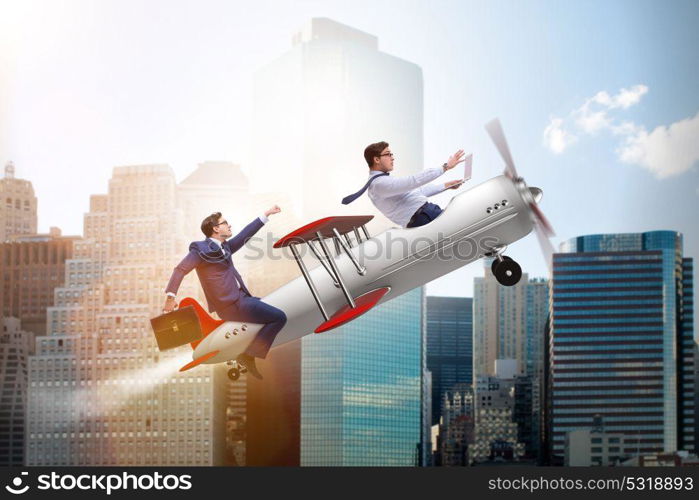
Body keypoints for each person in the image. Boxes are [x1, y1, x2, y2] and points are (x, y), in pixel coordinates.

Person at [163, 208, 286, 380]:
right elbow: (180, 269)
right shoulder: (200, 250)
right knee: (279, 317)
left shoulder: (225, 247)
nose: (229, 225)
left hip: (242, 299)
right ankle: (248, 355)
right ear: (215, 228)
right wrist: (170, 296)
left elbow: (244, 235)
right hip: (231, 305)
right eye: (225, 223)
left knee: (274, 309)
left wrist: (265, 215)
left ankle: (245, 351)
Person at [342, 141, 466, 228]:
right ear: (377, 159)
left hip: (425, 214)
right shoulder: (378, 184)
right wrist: (445, 167)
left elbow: (416, 193)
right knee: (465, 225)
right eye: (388, 154)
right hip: (424, 217)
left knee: (465, 226)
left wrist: (445, 186)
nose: (392, 158)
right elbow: (413, 181)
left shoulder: (381, 182)